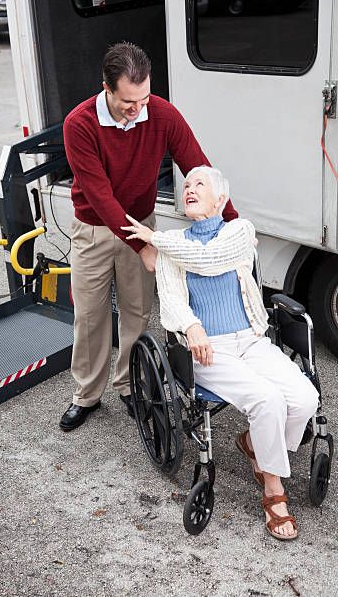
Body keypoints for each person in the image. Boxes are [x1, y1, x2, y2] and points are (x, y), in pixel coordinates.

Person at [122, 165, 319, 540]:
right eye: (187, 184)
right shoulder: (172, 242)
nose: (189, 188)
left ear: (221, 200)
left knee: (305, 398)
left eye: (201, 184)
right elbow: (173, 299)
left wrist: (156, 240)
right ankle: (273, 491)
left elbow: (208, 258)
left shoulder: (239, 231)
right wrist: (192, 325)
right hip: (207, 350)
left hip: (250, 339)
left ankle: (257, 448)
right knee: (267, 400)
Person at [60, 42, 238, 431]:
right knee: (90, 315)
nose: (137, 109)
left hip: (141, 221)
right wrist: (142, 247)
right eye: (128, 101)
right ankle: (86, 395)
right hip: (93, 227)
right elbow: (101, 197)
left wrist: (233, 225)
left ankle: (129, 384)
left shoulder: (160, 113)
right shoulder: (79, 124)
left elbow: (197, 165)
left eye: (143, 98)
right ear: (105, 88)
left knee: (137, 310)